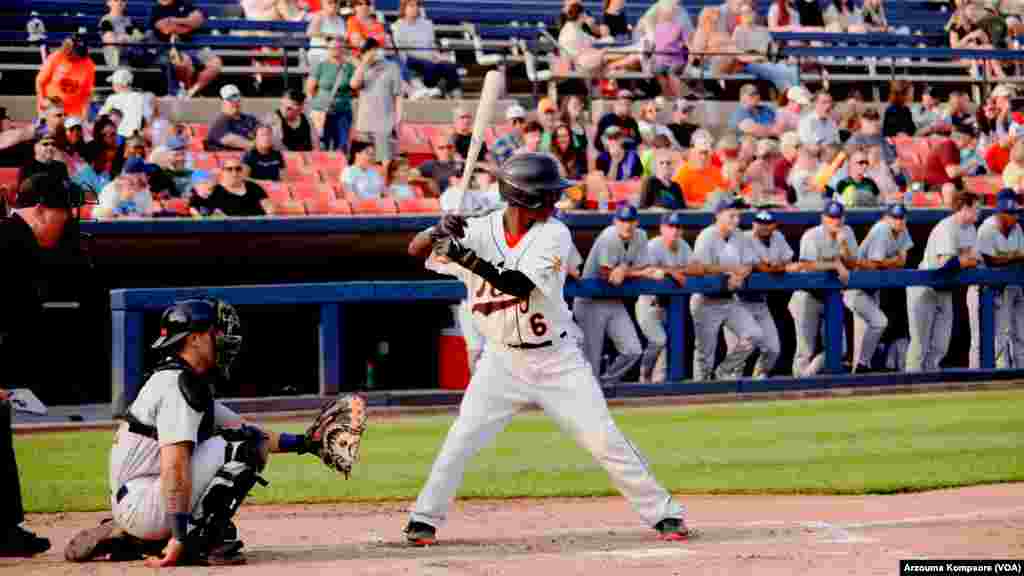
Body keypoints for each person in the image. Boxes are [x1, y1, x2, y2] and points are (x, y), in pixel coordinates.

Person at [404, 153, 689, 546]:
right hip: (501, 361)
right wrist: (436, 230)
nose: (557, 202)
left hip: (557, 360)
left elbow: (518, 285)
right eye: (551, 195)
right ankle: (423, 518)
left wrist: (462, 254)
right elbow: (415, 251)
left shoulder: (554, 233)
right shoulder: (479, 227)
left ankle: (664, 513)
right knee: (461, 439)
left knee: (604, 438)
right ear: (528, 198)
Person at [63, 298, 340, 565]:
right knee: (245, 446)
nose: (223, 338)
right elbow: (175, 465)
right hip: (145, 502)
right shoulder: (177, 385)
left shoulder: (181, 380)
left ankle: (141, 539)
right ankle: (196, 540)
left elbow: (244, 428)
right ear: (194, 338)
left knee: (248, 439)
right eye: (214, 332)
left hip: (142, 497)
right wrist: (180, 536)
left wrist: (308, 442)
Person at [0, 174, 80, 557]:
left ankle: (5, 530)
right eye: (63, 213)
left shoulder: (17, 241)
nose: (66, 222)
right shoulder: (8, 242)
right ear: (41, 210)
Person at [575, 204, 661, 383]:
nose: (627, 225)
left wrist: (623, 268)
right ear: (615, 221)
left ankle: (605, 383)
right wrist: (633, 272)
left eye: (630, 221)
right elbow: (607, 274)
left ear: (636, 222)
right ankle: (588, 395)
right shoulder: (608, 236)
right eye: (622, 221)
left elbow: (643, 266)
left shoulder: (641, 236)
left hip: (613, 300)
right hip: (590, 300)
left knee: (633, 349)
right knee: (591, 360)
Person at [689, 198, 764, 380]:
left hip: (729, 300)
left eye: (738, 215)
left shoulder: (738, 235)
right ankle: (699, 391)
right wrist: (728, 273)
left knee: (754, 334)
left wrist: (739, 275)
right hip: (706, 300)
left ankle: (724, 370)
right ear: (718, 216)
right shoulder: (706, 235)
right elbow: (700, 267)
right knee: (705, 354)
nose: (736, 220)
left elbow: (749, 263)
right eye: (731, 216)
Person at [907, 191, 980, 372]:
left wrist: (964, 260)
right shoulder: (946, 227)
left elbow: (975, 260)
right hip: (924, 286)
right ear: (964, 208)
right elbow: (945, 263)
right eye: (975, 208)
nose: (979, 212)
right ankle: (911, 385)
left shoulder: (971, 228)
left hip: (945, 288)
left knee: (941, 344)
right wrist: (965, 259)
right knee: (920, 344)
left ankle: (931, 385)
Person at [788, 200, 857, 376]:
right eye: (831, 217)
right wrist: (835, 264)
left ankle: (806, 378)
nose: (835, 221)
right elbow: (807, 265)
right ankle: (799, 382)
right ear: (823, 218)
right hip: (807, 296)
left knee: (838, 349)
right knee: (805, 349)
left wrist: (843, 246)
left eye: (838, 217)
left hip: (831, 296)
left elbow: (852, 263)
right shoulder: (811, 235)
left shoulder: (847, 232)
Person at [722, 210, 794, 379]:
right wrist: (777, 267)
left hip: (760, 302)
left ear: (774, 225)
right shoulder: (743, 238)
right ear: (753, 224)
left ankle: (758, 383)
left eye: (767, 223)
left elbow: (788, 260)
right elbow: (760, 267)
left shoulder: (778, 237)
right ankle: (726, 393)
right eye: (759, 223)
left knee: (772, 349)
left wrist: (779, 265)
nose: (763, 227)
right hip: (737, 302)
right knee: (738, 353)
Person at [635, 212, 704, 383]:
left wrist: (676, 271)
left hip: (669, 305)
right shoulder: (653, 245)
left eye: (677, 227)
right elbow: (648, 268)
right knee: (659, 340)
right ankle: (644, 375)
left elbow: (698, 269)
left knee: (665, 348)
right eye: (670, 226)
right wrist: (673, 271)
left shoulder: (683, 246)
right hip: (649, 302)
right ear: (662, 228)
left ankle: (658, 387)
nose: (674, 231)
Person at [845, 204, 913, 373]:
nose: (898, 221)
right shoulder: (882, 229)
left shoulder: (903, 229)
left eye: (901, 218)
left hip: (873, 290)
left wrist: (886, 263)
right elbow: (876, 264)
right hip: (856, 288)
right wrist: (891, 262)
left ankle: (862, 368)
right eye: (895, 218)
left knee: (872, 331)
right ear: (887, 218)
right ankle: (860, 368)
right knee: (879, 323)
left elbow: (902, 262)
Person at [968, 188, 1024, 369]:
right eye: (1011, 214)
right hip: (983, 290)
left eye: (1016, 213)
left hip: (1007, 288)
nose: (1015, 217)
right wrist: (1014, 256)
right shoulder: (987, 229)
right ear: (1000, 214)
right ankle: (976, 378)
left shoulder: (1017, 229)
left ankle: (1016, 374)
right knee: (982, 339)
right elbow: (991, 261)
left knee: (1013, 335)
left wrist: (1011, 257)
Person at [350, 37, 403, 182]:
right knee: (363, 160)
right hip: (364, 123)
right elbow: (354, 85)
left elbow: (398, 95)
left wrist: (398, 119)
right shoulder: (361, 67)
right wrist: (363, 64)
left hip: (384, 122)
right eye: (365, 52)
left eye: (371, 51)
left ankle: (382, 190)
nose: (369, 54)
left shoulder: (392, 67)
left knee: (384, 161)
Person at [149, 0, 223, 97]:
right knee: (185, 63)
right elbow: (167, 29)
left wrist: (174, 20)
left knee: (216, 64)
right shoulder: (156, 10)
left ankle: (192, 91)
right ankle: (189, 92)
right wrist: (188, 23)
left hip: (194, 46)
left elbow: (197, 21)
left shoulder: (184, 4)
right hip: (172, 48)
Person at [392, 0, 462, 98]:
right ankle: (432, 89)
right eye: (411, 6)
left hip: (430, 58)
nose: (415, 8)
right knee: (430, 66)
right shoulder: (397, 26)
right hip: (412, 59)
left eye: (417, 5)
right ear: (404, 8)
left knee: (450, 66)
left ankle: (455, 93)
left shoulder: (427, 24)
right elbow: (401, 52)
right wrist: (428, 57)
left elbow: (432, 45)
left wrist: (439, 56)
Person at [306, 36, 356, 153]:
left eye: (338, 48)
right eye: (332, 48)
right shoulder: (321, 66)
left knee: (342, 145)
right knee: (323, 143)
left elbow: (356, 87)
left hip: (342, 111)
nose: (335, 50)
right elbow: (310, 88)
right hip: (323, 112)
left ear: (343, 49)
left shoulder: (349, 67)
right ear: (328, 49)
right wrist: (317, 105)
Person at [35, 34, 96, 118]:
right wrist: (42, 101)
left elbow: (87, 93)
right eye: (77, 52)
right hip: (52, 109)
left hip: (74, 112)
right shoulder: (55, 57)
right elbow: (40, 82)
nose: (79, 56)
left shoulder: (88, 63)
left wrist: (84, 115)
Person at [189, 158, 271, 216]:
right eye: (229, 169)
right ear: (223, 172)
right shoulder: (214, 190)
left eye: (238, 169)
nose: (234, 173)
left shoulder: (253, 186)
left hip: (259, 227)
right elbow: (196, 207)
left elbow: (268, 207)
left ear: (242, 171)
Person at [672, 129, 727, 208]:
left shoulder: (717, 171)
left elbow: (725, 195)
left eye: (706, 153)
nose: (703, 157)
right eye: (700, 153)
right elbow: (679, 202)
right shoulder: (683, 174)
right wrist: (704, 206)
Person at [99, 69, 152, 139]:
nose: (113, 86)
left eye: (113, 83)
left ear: (119, 84)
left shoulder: (112, 98)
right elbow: (148, 117)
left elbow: (101, 116)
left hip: (118, 136)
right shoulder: (140, 97)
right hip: (135, 136)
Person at [206, 85, 260, 151]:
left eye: (237, 98)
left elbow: (264, 132)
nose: (235, 102)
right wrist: (257, 145)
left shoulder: (250, 119)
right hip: (227, 158)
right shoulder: (220, 122)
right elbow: (230, 140)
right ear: (222, 102)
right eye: (230, 99)